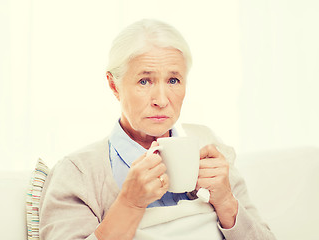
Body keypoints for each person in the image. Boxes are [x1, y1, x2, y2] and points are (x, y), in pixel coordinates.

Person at [39, 19, 276, 240]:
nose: (161, 100)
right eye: (145, 81)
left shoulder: (213, 155)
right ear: (114, 85)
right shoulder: (78, 174)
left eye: (173, 80)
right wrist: (129, 204)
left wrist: (226, 201)